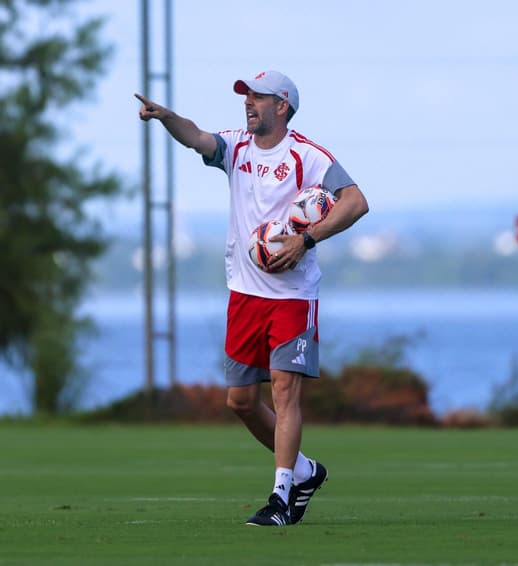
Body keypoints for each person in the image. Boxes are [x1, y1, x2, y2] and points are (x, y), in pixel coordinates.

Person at [135, 70, 369, 526]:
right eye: (246, 96)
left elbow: (356, 201)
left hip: (293, 296)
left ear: (282, 106)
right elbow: (196, 137)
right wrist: (166, 117)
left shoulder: (307, 155)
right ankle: (305, 471)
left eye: (258, 97)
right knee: (240, 402)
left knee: (284, 393)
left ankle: (281, 498)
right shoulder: (236, 147)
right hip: (243, 294)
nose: (249, 103)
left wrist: (308, 239)